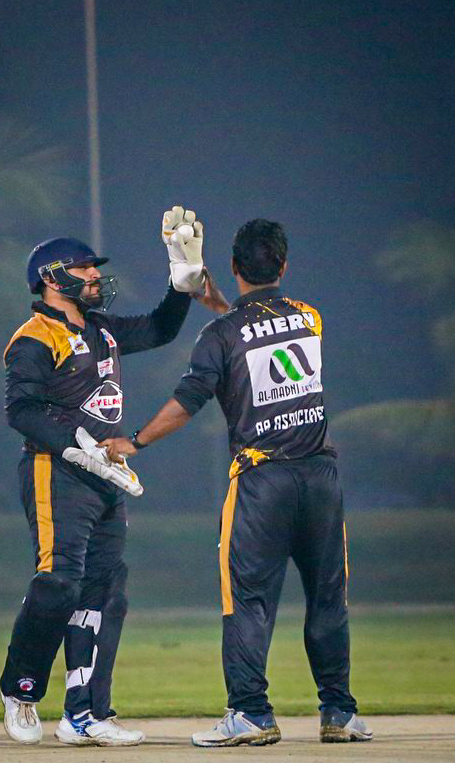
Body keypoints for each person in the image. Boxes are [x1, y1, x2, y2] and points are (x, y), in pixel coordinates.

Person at [101, 218, 373, 747]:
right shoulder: (309, 318)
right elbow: (262, 336)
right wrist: (221, 304)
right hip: (320, 479)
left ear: (233, 265)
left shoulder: (219, 335)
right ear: (284, 265)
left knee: (248, 600)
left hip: (262, 483)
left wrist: (134, 441)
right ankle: (339, 712)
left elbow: (190, 399)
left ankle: (251, 713)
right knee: (328, 598)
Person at [0, 206, 221, 746]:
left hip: (106, 478)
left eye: (95, 269)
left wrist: (181, 280)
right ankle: (21, 688)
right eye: (84, 268)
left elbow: (161, 329)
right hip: (56, 471)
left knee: (104, 593)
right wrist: (73, 447)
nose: (95, 276)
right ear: (53, 279)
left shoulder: (100, 328)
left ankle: (85, 714)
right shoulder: (34, 336)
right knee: (58, 583)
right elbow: (20, 410)